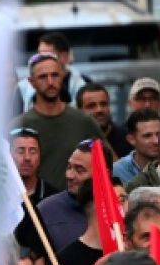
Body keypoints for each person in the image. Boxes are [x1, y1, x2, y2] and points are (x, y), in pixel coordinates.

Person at [10, 52, 103, 190]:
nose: (50, 82)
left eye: (55, 75)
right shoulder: (17, 126)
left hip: (75, 205)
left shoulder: (83, 121)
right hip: (33, 206)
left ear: (63, 76)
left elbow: (108, 162)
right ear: (31, 82)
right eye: (43, 77)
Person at [36, 139, 111, 251]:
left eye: (79, 170)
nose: (69, 175)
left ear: (104, 174)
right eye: (69, 167)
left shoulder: (121, 209)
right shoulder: (45, 212)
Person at [41, 180, 102, 265]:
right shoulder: (62, 264)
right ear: (100, 206)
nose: (126, 206)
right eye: (120, 200)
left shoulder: (127, 254)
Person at [18, 33, 89, 108]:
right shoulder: (23, 87)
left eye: (47, 56)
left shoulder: (84, 83)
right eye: (39, 55)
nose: (41, 59)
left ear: (64, 56)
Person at [77, 84, 131, 157]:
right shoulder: (72, 141)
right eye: (91, 106)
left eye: (103, 104)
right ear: (79, 111)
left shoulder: (128, 140)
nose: (99, 110)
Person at [112, 108, 160, 183]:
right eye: (147, 136)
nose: (156, 141)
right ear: (131, 139)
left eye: (158, 134)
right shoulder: (117, 171)